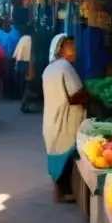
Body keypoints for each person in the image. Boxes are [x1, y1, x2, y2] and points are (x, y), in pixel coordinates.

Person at [42, 36, 88, 203]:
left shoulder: (49, 68)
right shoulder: (64, 66)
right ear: (60, 49)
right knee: (67, 156)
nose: (74, 49)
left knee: (56, 154)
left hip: (52, 121)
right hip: (66, 121)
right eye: (70, 46)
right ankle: (64, 192)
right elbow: (76, 95)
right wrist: (90, 96)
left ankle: (57, 192)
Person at [13, 25, 33, 105]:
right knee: (27, 80)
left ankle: (20, 95)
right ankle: (25, 96)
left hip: (21, 61)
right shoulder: (32, 39)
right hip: (28, 61)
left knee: (21, 79)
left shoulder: (22, 39)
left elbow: (17, 51)